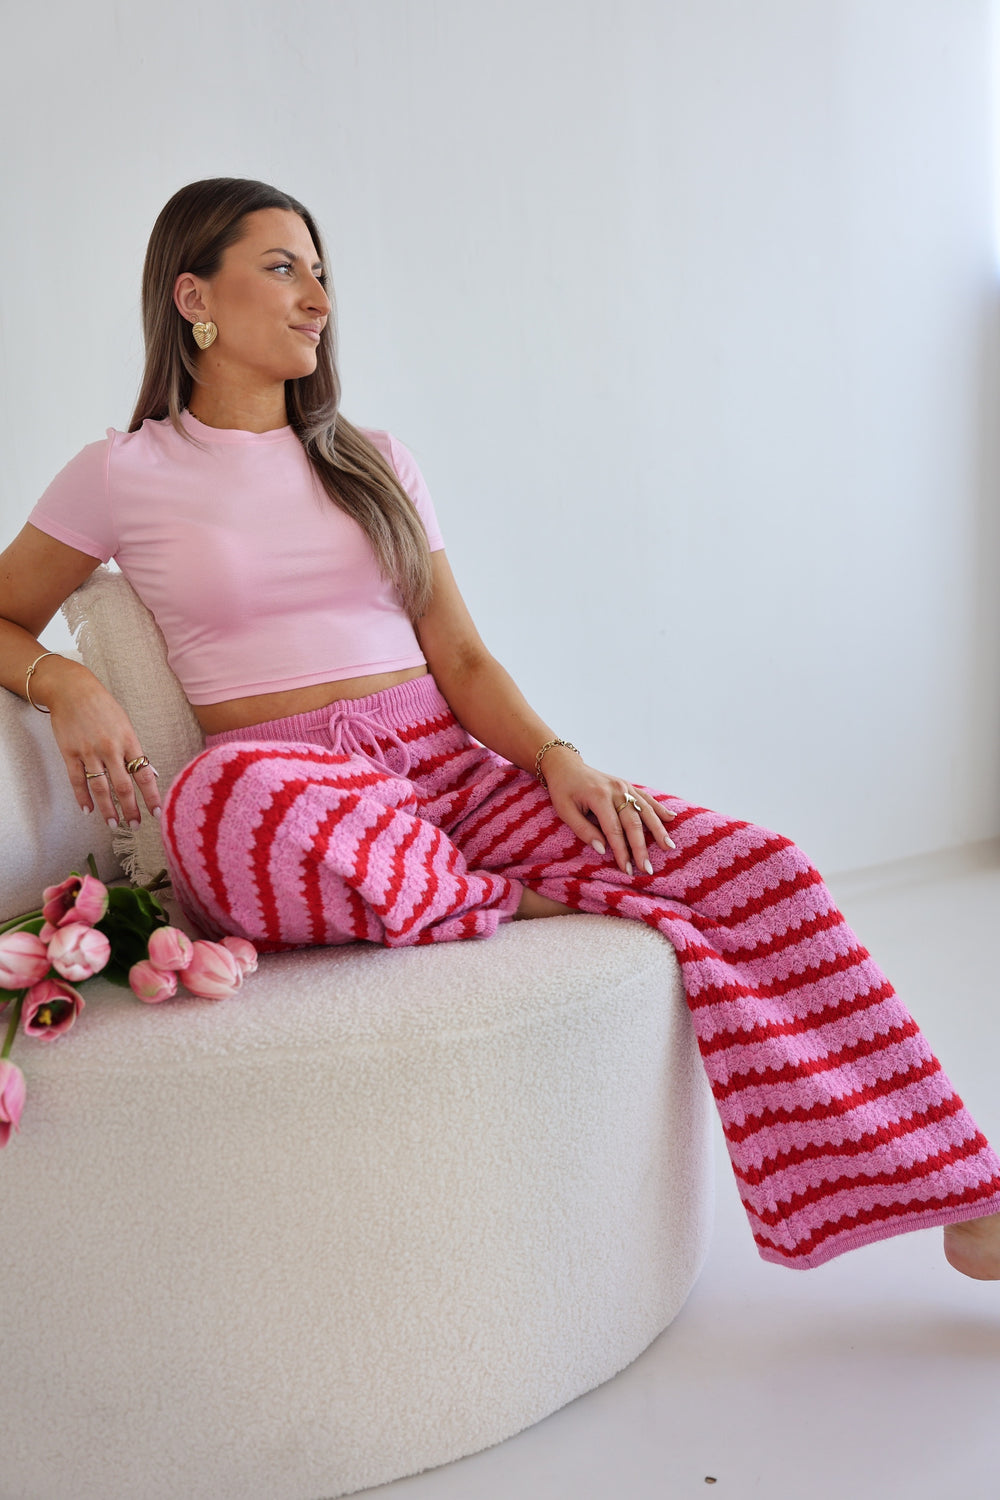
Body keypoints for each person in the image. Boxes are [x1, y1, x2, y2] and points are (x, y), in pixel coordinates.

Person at [1, 176, 998, 1277]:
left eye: (321, 273)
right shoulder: (122, 472)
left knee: (763, 865)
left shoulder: (372, 458)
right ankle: (508, 897)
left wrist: (558, 761)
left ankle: (957, 1189)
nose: (318, 300)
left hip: (446, 774)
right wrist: (63, 682)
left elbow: (463, 658)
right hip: (299, 793)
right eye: (283, 269)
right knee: (221, 802)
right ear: (193, 295)